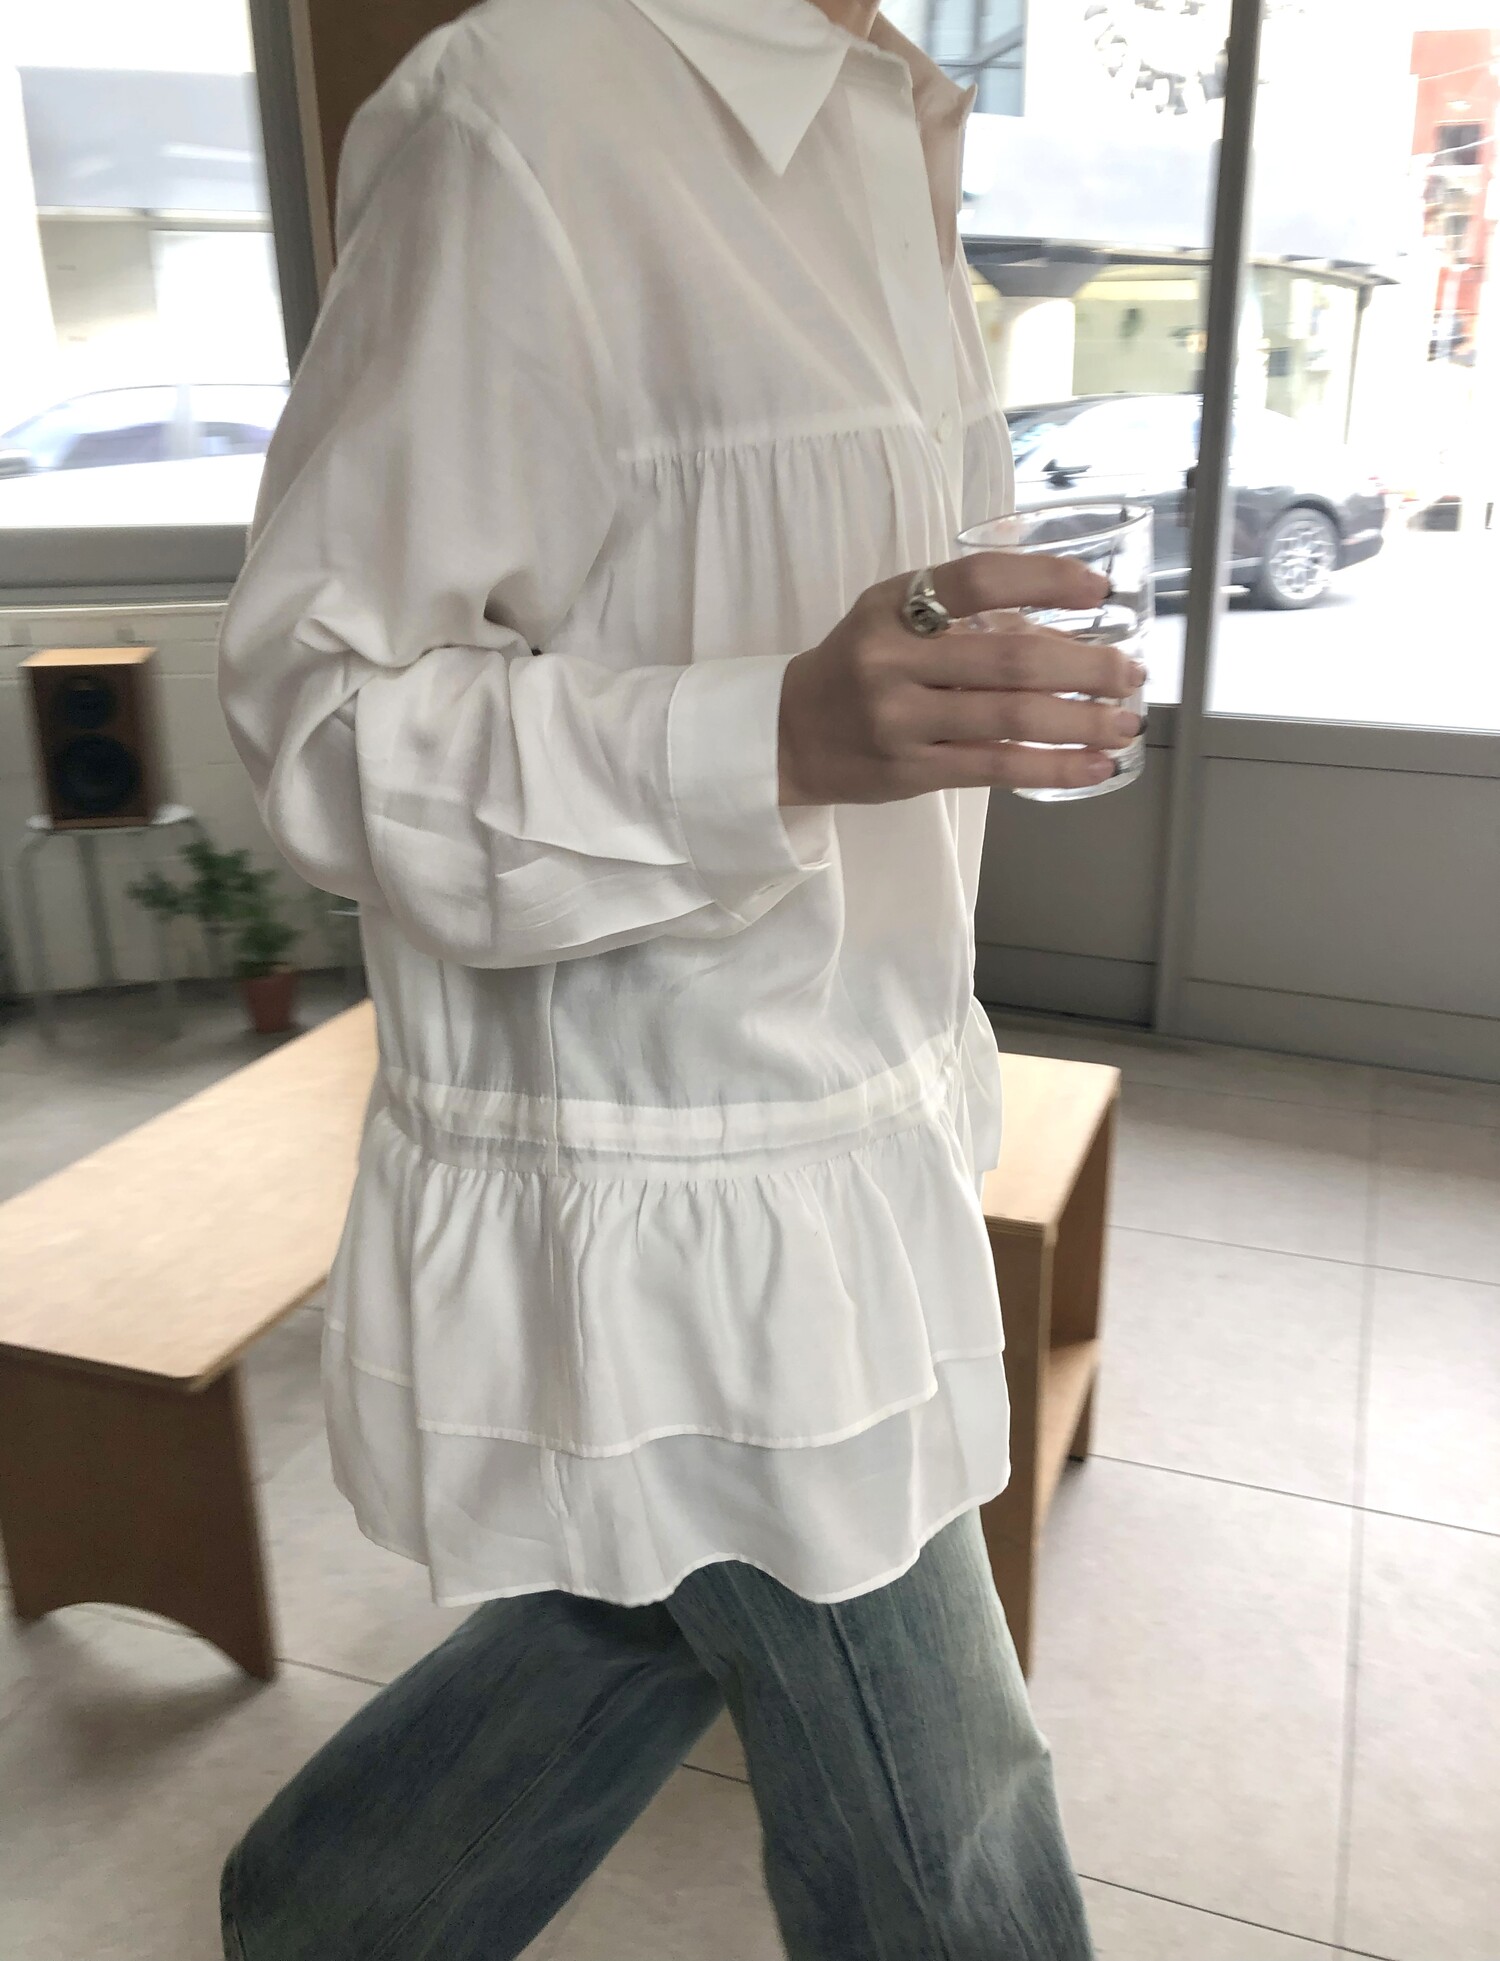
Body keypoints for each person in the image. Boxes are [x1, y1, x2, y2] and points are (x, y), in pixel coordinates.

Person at [216, 0, 1140, 1954]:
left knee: (639, 1608)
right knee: (951, 1820)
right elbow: (320, 722)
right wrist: (770, 731)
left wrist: (918, 691)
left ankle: (317, 1916)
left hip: (865, 1095)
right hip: (676, 1163)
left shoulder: (892, 123)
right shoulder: (522, 111)